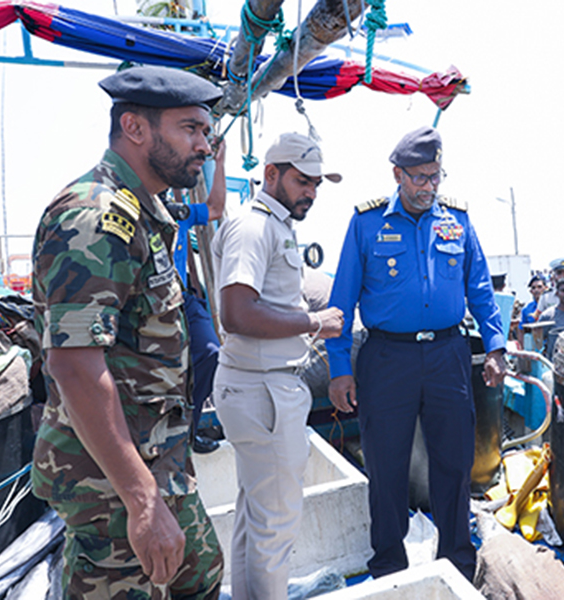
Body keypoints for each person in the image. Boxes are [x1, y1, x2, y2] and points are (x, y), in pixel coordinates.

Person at [31, 65, 224, 598]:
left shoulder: (145, 212)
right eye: (191, 129)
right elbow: (73, 365)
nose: (204, 146)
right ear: (136, 128)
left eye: (206, 132)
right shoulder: (94, 216)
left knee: (202, 575)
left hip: (158, 461)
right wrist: (142, 500)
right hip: (109, 482)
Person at [325, 126, 507, 582]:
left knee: (454, 463)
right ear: (398, 175)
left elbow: (481, 290)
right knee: (386, 466)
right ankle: (389, 566)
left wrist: (496, 346)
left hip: (448, 354)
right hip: (387, 359)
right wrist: (339, 369)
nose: (429, 186)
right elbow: (341, 303)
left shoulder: (458, 221)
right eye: (420, 177)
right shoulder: (366, 223)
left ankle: (458, 563)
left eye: (436, 176)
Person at [211, 132, 345, 600]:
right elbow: (237, 313)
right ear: (271, 174)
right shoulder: (256, 226)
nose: (310, 191)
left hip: (260, 388)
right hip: (262, 389)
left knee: (257, 518)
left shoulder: (275, 223)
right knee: (276, 524)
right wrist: (314, 321)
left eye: (316, 184)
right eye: (301, 181)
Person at [171, 141, 226, 454]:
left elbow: (215, 208)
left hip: (182, 299)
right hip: (147, 303)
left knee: (209, 351)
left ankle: (189, 432)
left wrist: (220, 163)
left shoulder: (179, 213)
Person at [517, 274, 546, 348]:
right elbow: (521, 330)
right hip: (535, 346)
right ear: (531, 291)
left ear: (545, 288)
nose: (536, 290)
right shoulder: (526, 309)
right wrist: (522, 350)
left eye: (539, 287)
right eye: (534, 288)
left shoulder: (552, 306)